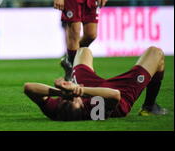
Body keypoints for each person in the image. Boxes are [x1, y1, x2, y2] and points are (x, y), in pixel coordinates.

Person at [24, 46, 168, 121]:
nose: (69, 98)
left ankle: (71, 71)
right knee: (156, 53)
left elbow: (29, 88)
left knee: (83, 51)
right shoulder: (93, 110)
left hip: (87, 87)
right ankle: (149, 106)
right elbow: (115, 95)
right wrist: (78, 90)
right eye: (73, 99)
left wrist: (62, 92)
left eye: (65, 99)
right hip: (119, 94)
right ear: (81, 105)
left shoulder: (56, 110)